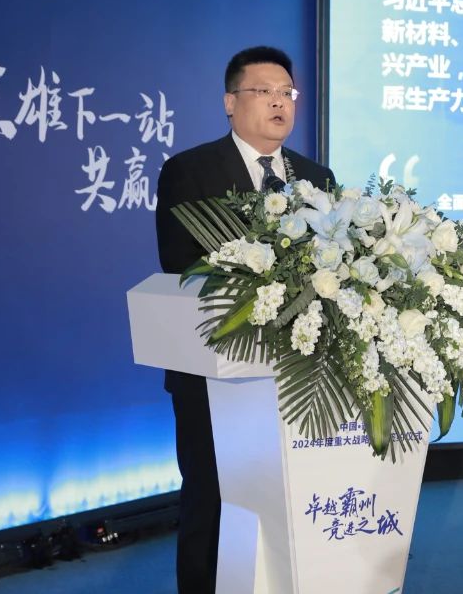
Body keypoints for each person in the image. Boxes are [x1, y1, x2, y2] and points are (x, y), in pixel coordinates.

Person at [154, 45, 336, 593]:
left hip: (295, 377)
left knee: (286, 501)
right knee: (212, 500)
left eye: (287, 93)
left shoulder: (316, 178)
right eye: (264, 92)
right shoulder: (190, 171)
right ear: (230, 102)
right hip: (214, 373)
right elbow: (182, 265)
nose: (280, 102)